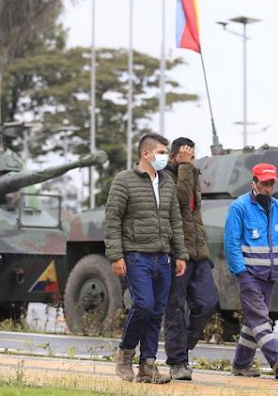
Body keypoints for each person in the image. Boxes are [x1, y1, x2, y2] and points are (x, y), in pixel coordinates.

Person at [104, 132, 189, 384]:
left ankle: (148, 365)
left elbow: (175, 220)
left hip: (162, 258)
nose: (164, 157)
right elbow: (112, 220)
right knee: (143, 305)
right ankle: (126, 354)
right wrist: (116, 255)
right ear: (146, 154)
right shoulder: (124, 181)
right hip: (136, 255)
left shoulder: (167, 183)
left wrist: (181, 253)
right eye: (162, 152)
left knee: (156, 312)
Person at [224, 162, 278, 380]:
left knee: (253, 321)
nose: (268, 187)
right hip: (249, 275)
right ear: (254, 183)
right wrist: (241, 272)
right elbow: (231, 243)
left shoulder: (276, 208)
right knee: (261, 318)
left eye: (271, 183)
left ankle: (241, 365)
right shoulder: (239, 207)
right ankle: (277, 358)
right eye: (264, 183)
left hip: (270, 275)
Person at [163, 137, 219, 380]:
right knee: (175, 307)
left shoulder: (192, 174)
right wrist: (184, 167)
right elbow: (179, 201)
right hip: (176, 253)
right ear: (174, 156)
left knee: (208, 302)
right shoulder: (163, 176)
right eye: (186, 156)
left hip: (198, 253)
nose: (190, 160)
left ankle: (182, 348)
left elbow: (194, 215)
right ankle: (177, 362)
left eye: (192, 157)